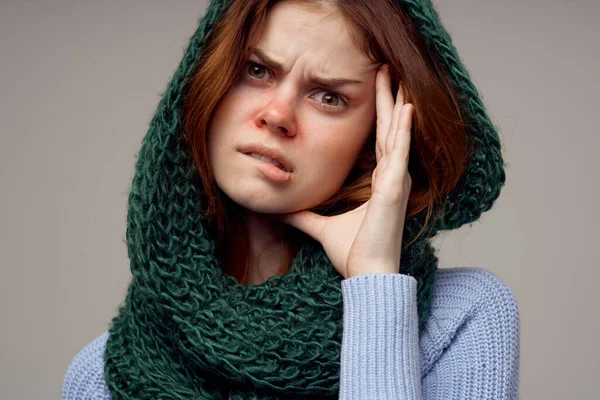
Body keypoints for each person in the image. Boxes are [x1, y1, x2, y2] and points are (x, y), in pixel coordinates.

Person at [61, 0, 520, 399]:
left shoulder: (465, 320)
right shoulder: (100, 378)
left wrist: (376, 284)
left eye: (329, 97)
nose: (278, 114)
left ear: (376, 136)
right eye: (257, 70)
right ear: (206, 81)